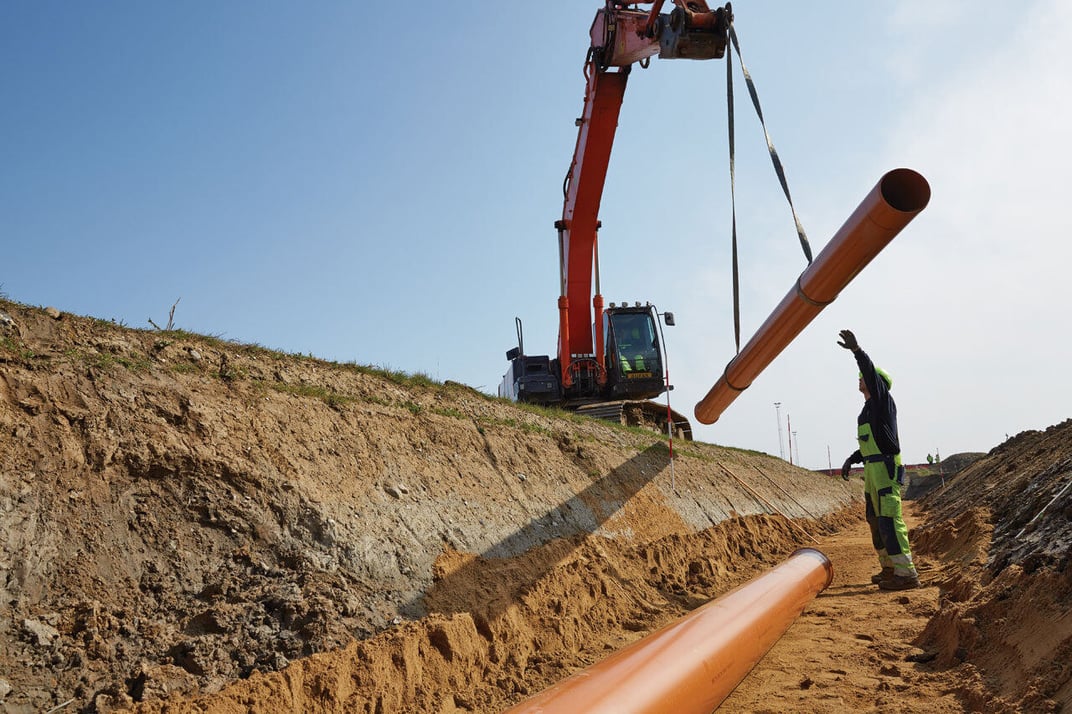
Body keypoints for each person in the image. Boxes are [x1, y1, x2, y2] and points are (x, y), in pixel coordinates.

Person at [838, 329, 921, 591]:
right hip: (872, 470)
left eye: (865, 378)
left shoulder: (883, 402)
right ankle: (888, 569)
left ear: (877, 384)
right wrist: (852, 459)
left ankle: (906, 574)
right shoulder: (866, 411)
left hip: (885, 469)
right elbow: (868, 444)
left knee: (889, 519)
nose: (860, 379)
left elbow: (871, 373)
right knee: (875, 520)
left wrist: (857, 351)